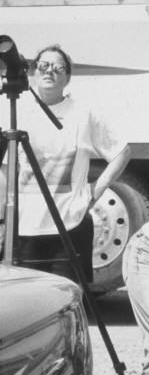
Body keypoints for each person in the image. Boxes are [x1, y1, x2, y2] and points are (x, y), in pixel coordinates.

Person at [0, 44, 130, 282]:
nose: (50, 71)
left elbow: (122, 152)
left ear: (67, 78)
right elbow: (6, 170)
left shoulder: (83, 113)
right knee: (31, 305)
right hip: (25, 228)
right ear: (33, 73)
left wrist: (97, 190)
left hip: (70, 224)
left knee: (69, 300)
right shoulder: (17, 111)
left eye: (59, 68)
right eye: (44, 66)